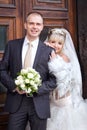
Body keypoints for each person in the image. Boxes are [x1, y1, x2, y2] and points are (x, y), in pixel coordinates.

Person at [0, 12, 56, 130]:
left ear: (42, 27)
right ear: (25, 25)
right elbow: (2, 70)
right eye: (31, 23)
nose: (34, 27)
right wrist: (14, 86)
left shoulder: (49, 51)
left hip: (39, 104)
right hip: (16, 102)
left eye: (38, 24)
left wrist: (36, 88)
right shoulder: (12, 45)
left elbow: (54, 80)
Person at [45, 28, 87, 130]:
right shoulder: (47, 55)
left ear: (63, 45)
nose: (56, 45)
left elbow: (62, 79)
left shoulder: (64, 57)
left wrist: (54, 60)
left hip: (64, 100)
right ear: (48, 42)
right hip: (52, 100)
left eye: (60, 43)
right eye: (53, 42)